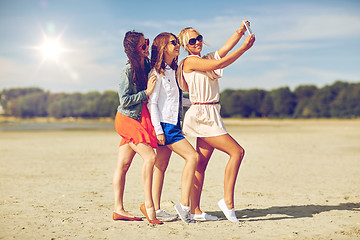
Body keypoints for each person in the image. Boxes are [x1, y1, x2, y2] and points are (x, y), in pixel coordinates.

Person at [177, 21, 255, 222]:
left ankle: (195, 211)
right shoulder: (189, 62)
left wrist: (239, 32)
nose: (197, 42)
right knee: (237, 152)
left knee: (201, 165)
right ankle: (227, 203)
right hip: (203, 115)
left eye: (199, 38)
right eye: (192, 41)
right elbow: (219, 64)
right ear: (185, 45)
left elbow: (225, 49)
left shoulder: (204, 58)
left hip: (211, 111)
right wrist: (244, 49)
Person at [148, 32, 199, 223]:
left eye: (177, 42)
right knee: (192, 156)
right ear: (163, 47)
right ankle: (184, 205)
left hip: (174, 123)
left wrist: (198, 102)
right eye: (173, 42)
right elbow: (152, 103)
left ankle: (155, 208)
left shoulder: (173, 70)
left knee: (160, 166)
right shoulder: (156, 73)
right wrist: (158, 131)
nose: (177, 45)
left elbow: (177, 100)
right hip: (166, 126)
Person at [113, 31, 162, 225]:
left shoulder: (148, 65)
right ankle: (149, 207)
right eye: (143, 46)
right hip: (127, 119)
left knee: (123, 165)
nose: (147, 47)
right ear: (134, 50)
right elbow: (124, 101)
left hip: (140, 118)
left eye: (147, 43)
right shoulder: (127, 71)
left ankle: (118, 210)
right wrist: (146, 93)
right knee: (150, 157)